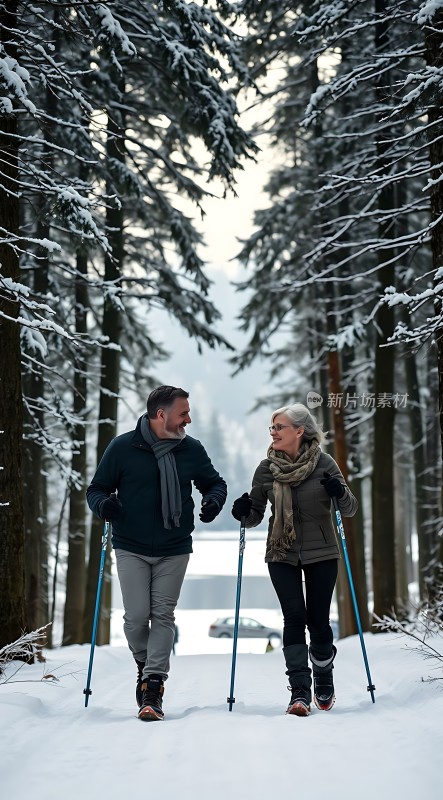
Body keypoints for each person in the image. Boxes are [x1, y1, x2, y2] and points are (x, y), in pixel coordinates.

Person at [86, 385, 226, 721]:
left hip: (174, 548)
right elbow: (96, 488)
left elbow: (214, 483)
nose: (188, 420)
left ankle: (153, 686)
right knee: (135, 618)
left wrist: (213, 501)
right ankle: (144, 662)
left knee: (162, 615)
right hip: (130, 546)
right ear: (161, 415)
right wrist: (104, 504)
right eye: (183, 414)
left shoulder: (191, 450)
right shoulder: (122, 448)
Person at [231, 402, 357, 717]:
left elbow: (350, 507)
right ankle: (300, 691)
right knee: (293, 618)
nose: (273, 432)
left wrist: (338, 492)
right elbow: (255, 515)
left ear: (299, 431)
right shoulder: (265, 468)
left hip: (322, 551)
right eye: (272, 428)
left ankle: (323, 675)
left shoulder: (325, 464)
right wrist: (243, 512)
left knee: (318, 621)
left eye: (280, 427)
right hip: (281, 551)